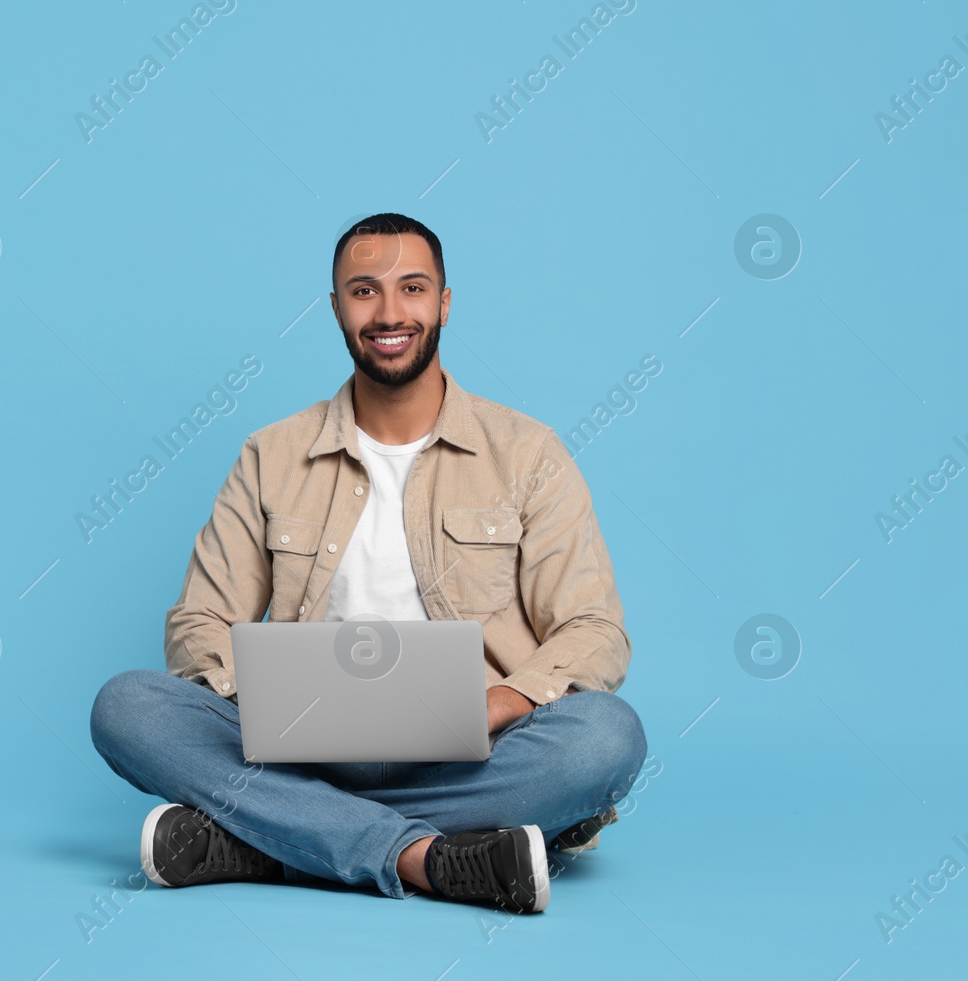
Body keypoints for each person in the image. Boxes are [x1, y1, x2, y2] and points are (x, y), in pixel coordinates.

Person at [88, 212, 647, 914]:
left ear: (444, 302)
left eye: (412, 288)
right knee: (127, 705)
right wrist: (256, 700)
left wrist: (499, 702)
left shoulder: (530, 454)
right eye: (363, 291)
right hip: (300, 749)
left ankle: (274, 839)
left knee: (607, 737)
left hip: (473, 752)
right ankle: (431, 857)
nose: (389, 312)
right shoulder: (271, 454)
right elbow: (200, 620)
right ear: (335, 308)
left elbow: (595, 629)